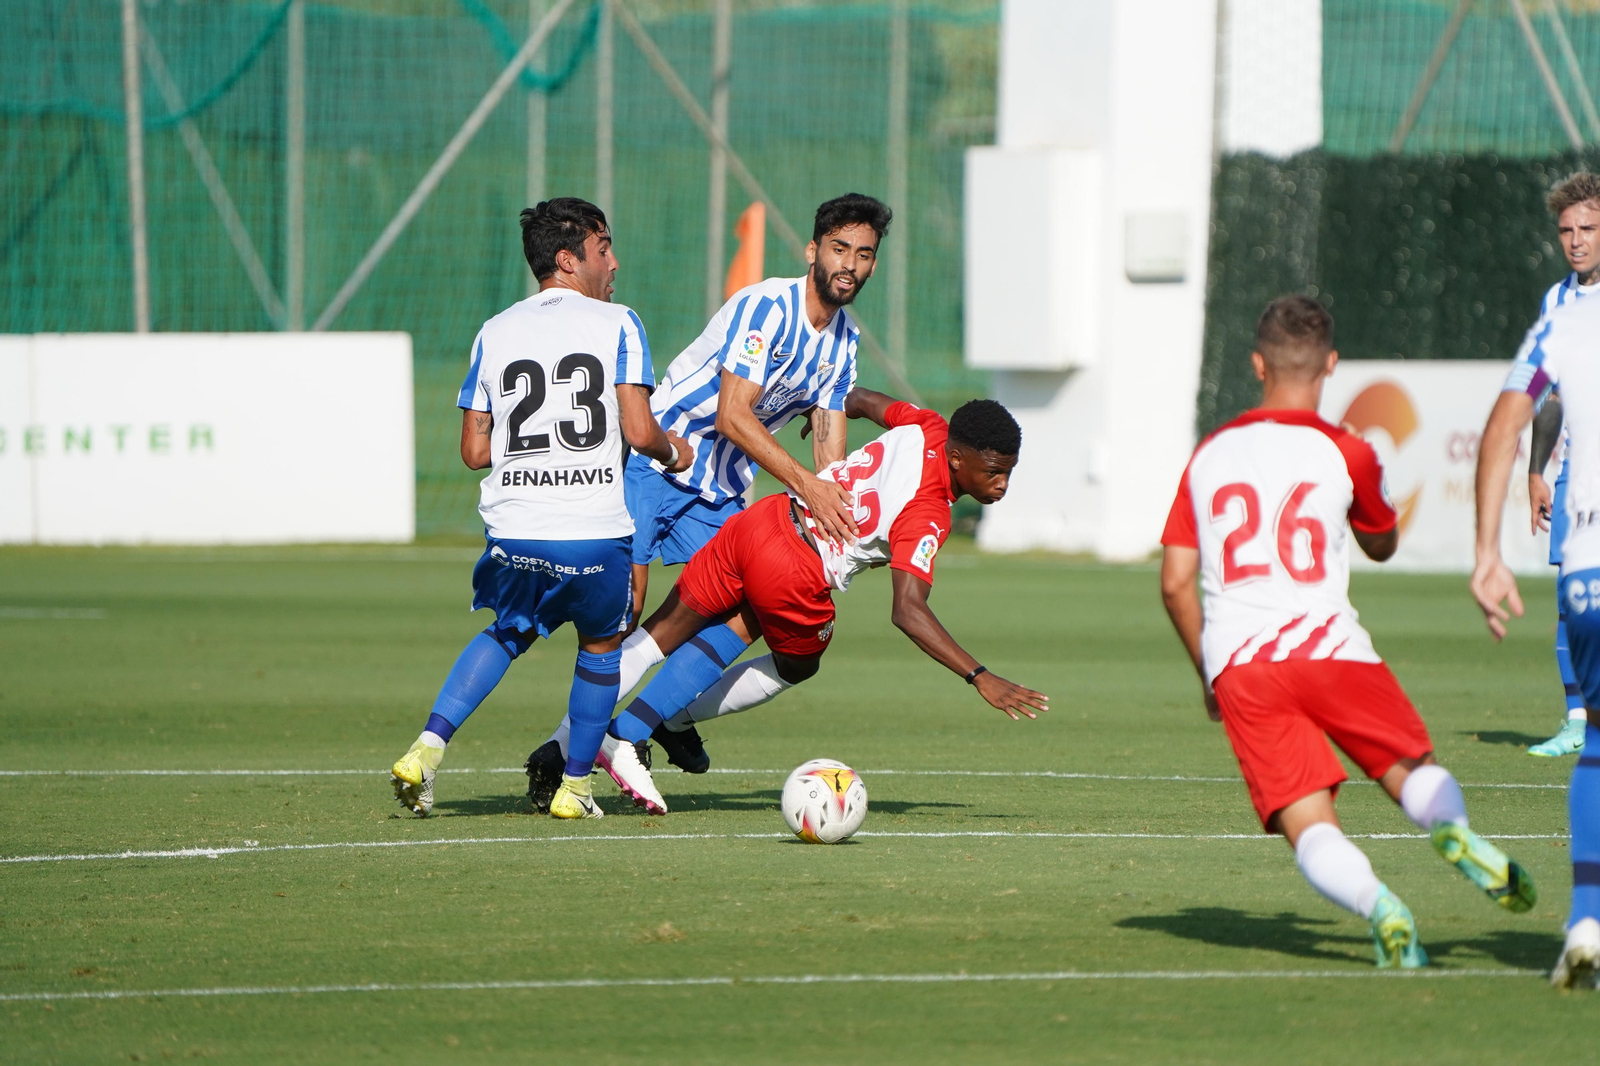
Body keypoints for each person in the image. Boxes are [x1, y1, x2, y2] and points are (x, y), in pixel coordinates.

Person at [1161, 296, 1535, 969]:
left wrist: (1206, 672)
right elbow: (1382, 543)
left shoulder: (1209, 454)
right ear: (1331, 364)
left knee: (1307, 824)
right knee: (1411, 773)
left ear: (1256, 363)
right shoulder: (1349, 451)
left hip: (1243, 663)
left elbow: (1175, 582)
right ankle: (1450, 831)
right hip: (1332, 648)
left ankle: (1381, 907)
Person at [527, 388, 1050, 814]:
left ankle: (569, 743)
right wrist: (979, 675)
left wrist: (824, 411)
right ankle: (645, 725)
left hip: (760, 521)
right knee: (797, 664)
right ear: (957, 461)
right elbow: (908, 611)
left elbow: (861, 400)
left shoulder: (929, 424)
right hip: (796, 567)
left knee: (666, 632)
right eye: (993, 471)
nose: (1002, 484)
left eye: (1008, 471)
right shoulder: (930, 512)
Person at [528, 194, 893, 777]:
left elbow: (828, 445)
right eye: (839, 248)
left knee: (750, 603)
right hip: (660, 463)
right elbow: (733, 415)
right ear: (813, 250)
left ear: (874, 264)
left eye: (864, 254)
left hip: (721, 491)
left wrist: (831, 516)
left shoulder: (843, 343)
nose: (849, 263)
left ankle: (658, 719)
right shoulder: (768, 309)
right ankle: (561, 751)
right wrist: (808, 487)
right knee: (629, 612)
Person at [388, 198, 690, 820]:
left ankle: (426, 748)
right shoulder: (620, 323)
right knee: (605, 644)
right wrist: (676, 451)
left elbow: (474, 451)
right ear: (568, 259)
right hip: (590, 530)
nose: (614, 262)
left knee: (507, 630)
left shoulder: (495, 329)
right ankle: (575, 788)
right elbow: (639, 431)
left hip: (516, 529)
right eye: (603, 248)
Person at [1473, 290, 1600, 989]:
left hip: (1588, 569)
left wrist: (1486, 551)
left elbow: (1505, 423)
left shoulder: (1561, 325)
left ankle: (1586, 919)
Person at [1523, 172, 1600, 758]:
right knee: (1572, 598)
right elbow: (1548, 396)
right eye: (1567, 230)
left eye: (1588, 228)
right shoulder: (1557, 300)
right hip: (1579, 470)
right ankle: (1579, 718)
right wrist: (1535, 471)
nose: (1576, 240)